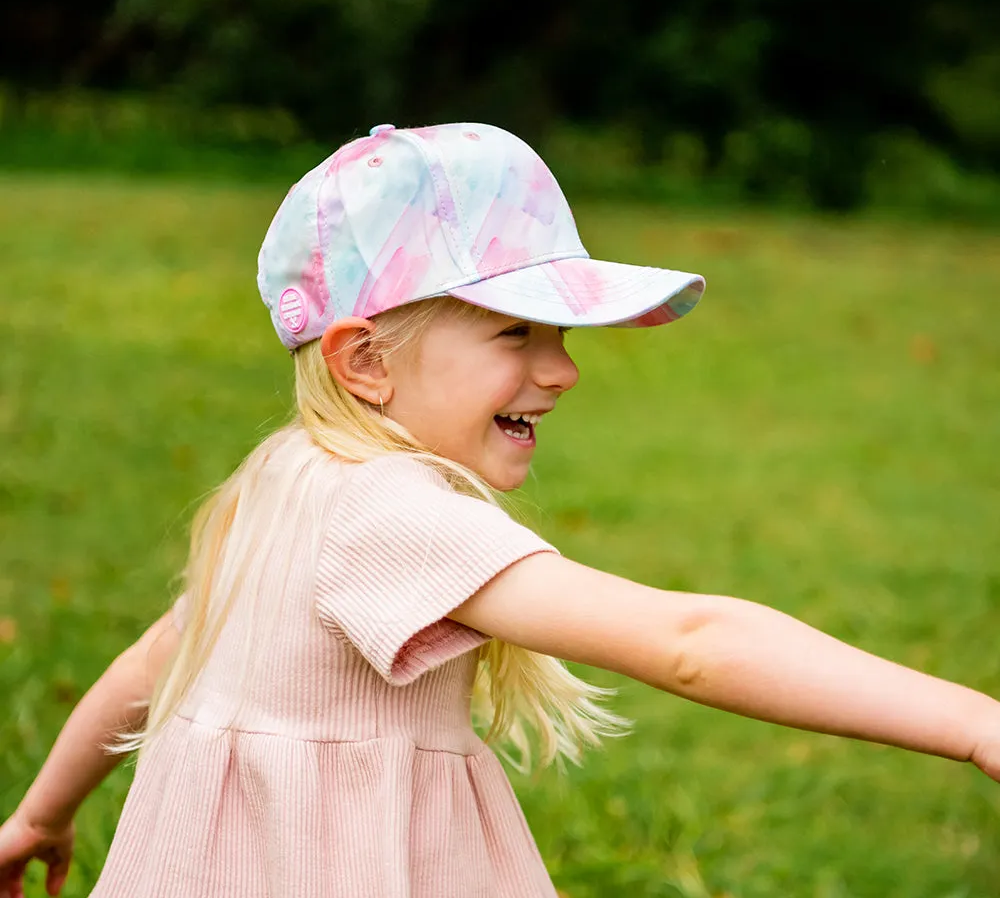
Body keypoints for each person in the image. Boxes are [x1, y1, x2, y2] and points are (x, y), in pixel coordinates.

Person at [0, 122, 997, 898]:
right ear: (365, 361)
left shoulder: (285, 472)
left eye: (560, 336)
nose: (560, 371)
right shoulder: (393, 514)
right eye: (515, 333)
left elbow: (154, 658)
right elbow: (690, 639)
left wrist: (41, 814)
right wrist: (970, 723)